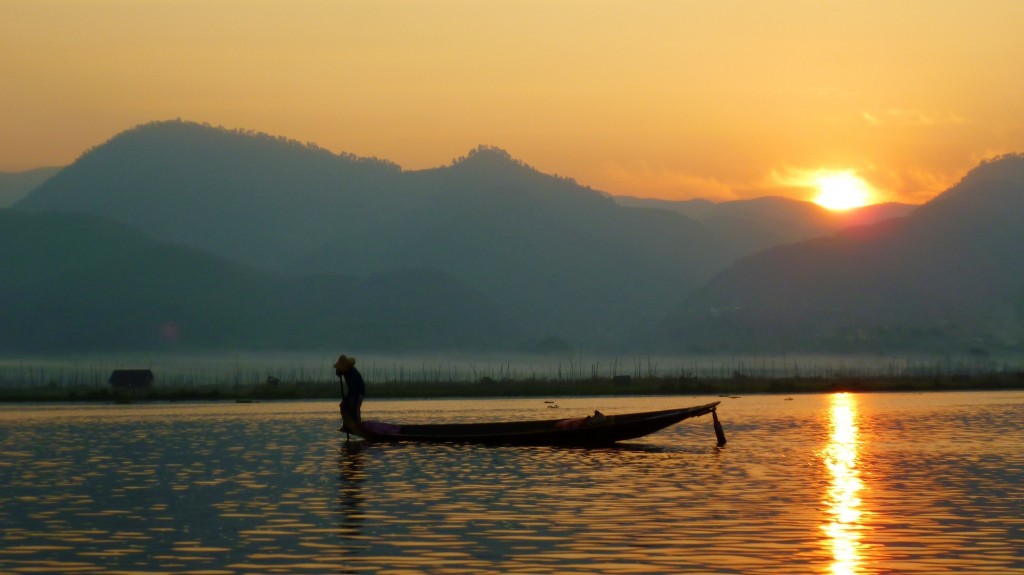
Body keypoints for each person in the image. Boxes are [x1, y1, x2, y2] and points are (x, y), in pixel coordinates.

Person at [334, 354, 365, 428]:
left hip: (359, 391)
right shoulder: (345, 370)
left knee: (355, 407)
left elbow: (354, 388)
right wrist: (338, 371)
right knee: (343, 406)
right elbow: (338, 373)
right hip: (352, 391)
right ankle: (347, 423)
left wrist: (350, 398)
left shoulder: (353, 373)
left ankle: (358, 425)